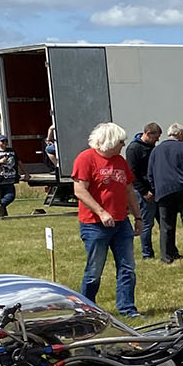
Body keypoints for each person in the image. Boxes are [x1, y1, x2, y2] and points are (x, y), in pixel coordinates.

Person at [72, 122, 141, 319]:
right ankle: (87, 309)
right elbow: (80, 191)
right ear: (109, 141)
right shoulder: (85, 159)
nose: (123, 145)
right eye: (121, 142)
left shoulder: (120, 161)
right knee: (94, 270)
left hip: (121, 223)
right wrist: (101, 212)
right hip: (94, 225)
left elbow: (129, 190)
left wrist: (138, 217)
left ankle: (128, 309)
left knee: (127, 268)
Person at [150, 122, 183, 264]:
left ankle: (166, 256)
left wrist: (154, 189)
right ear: (180, 134)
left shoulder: (156, 150)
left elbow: (150, 173)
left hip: (163, 191)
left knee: (166, 226)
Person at [126, 122, 161, 260]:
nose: (157, 140)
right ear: (148, 134)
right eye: (156, 137)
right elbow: (132, 173)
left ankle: (168, 251)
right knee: (147, 223)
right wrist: (144, 191)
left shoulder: (152, 148)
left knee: (163, 222)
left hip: (156, 190)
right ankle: (147, 253)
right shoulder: (134, 149)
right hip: (143, 192)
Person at [0, 136, 19, 215]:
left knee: (10, 196)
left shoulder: (12, 151)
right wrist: (0, 161)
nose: (4, 143)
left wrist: (26, 173)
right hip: (0, 180)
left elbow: (18, 162)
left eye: (6, 141)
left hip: (10, 179)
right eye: (2, 141)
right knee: (4, 198)